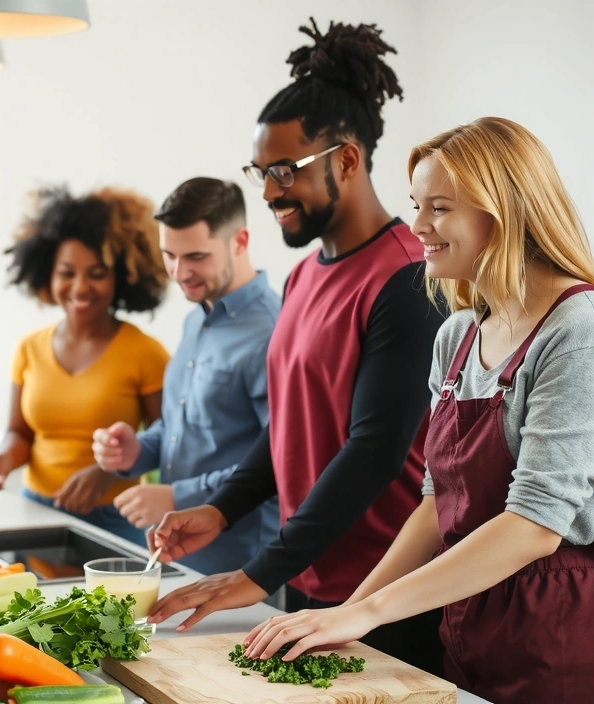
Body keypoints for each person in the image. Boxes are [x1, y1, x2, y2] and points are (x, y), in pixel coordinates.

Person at [245, 117, 594, 702]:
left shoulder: (576, 329)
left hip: (556, 631)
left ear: (504, 211)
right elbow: (436, 505)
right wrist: (351, 617)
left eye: (439, 208)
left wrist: (369, 611)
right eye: (416, 205)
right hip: (466, 622)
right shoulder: (456, 335)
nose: (417, 226)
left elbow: (534, 526)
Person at [146, 19, 446, 674]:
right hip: (308, 583)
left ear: (346, 159)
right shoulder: (306, 275)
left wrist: (255, 572)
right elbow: (291, 425)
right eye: (260, 172)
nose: (269, 192)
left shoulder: (407, 279)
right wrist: (222, 511)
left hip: (386, 596)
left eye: (283, 170)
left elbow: (373, 450)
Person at [91, 177, 282, 585]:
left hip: (244, 567)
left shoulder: (274, 331)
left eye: (195, 256)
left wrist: (180, 496)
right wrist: (138, 450)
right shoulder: (195, 316)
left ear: (240, 241)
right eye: (169, 255)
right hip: (181, 558)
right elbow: (191, 424)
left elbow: (283, 458)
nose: (180, 273)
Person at [0, 185, 170, 545]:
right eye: (67, 272)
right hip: (35, 511)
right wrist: (4, 458)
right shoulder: (29, 348)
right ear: (47, 275)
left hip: (116, 517)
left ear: (122, 277)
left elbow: (166, 443)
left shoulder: (146, 353)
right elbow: (20, 434)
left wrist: (106, 473)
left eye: (97, 273)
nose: (80, 287)